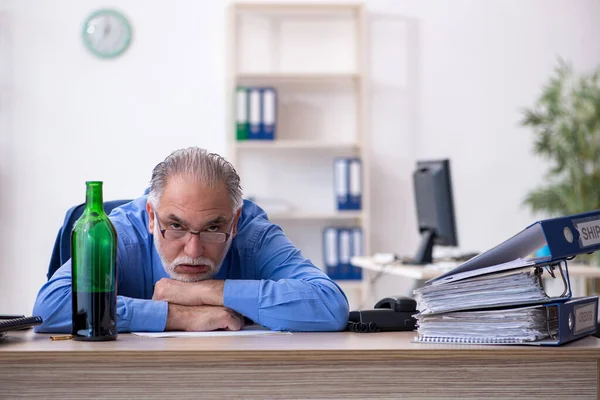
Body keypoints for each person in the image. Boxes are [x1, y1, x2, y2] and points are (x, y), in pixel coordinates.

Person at [33, 147, 349, 332]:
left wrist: (204, 291)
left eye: (213, 228)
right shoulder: (122, 232)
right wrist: (178, 316)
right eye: (176, 226)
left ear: (235, 220)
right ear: (152, 217)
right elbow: (50, 308)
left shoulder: (252, 233)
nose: (194, 250)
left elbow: (329, 306)